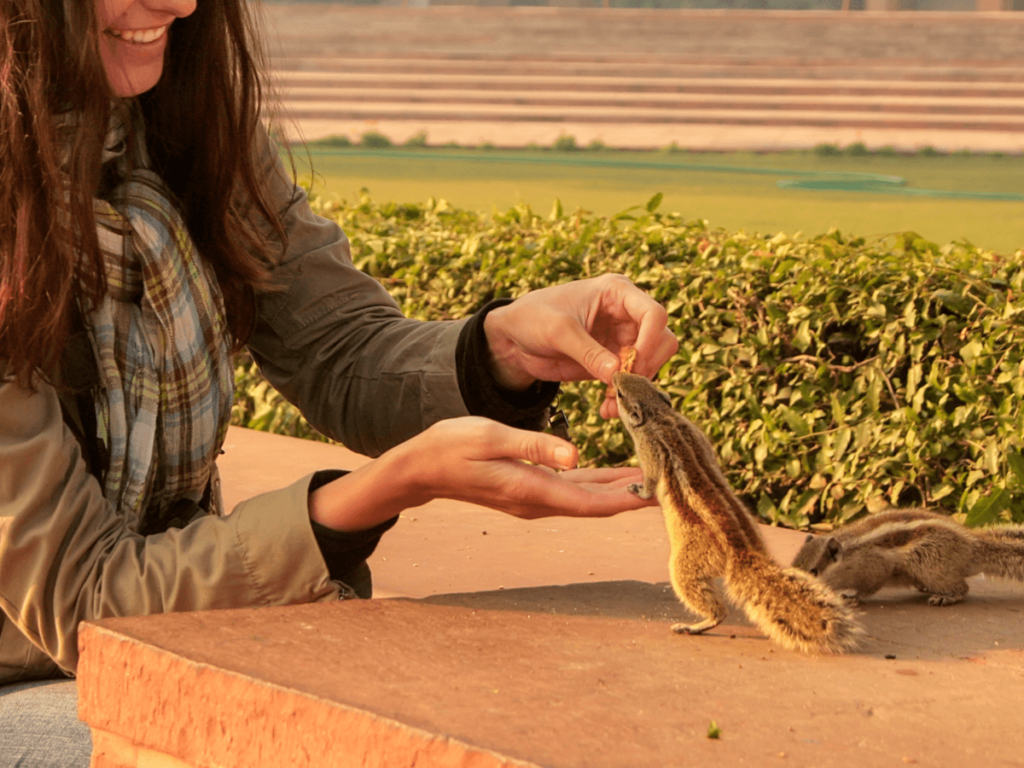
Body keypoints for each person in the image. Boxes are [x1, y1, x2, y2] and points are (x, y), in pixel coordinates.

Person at [0, 0, 678, 765]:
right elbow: (86, 597)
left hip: (172, 627)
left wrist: (498, 350)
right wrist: (374, 494)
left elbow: (336, 345)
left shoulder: (180, 117)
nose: (180, 4)